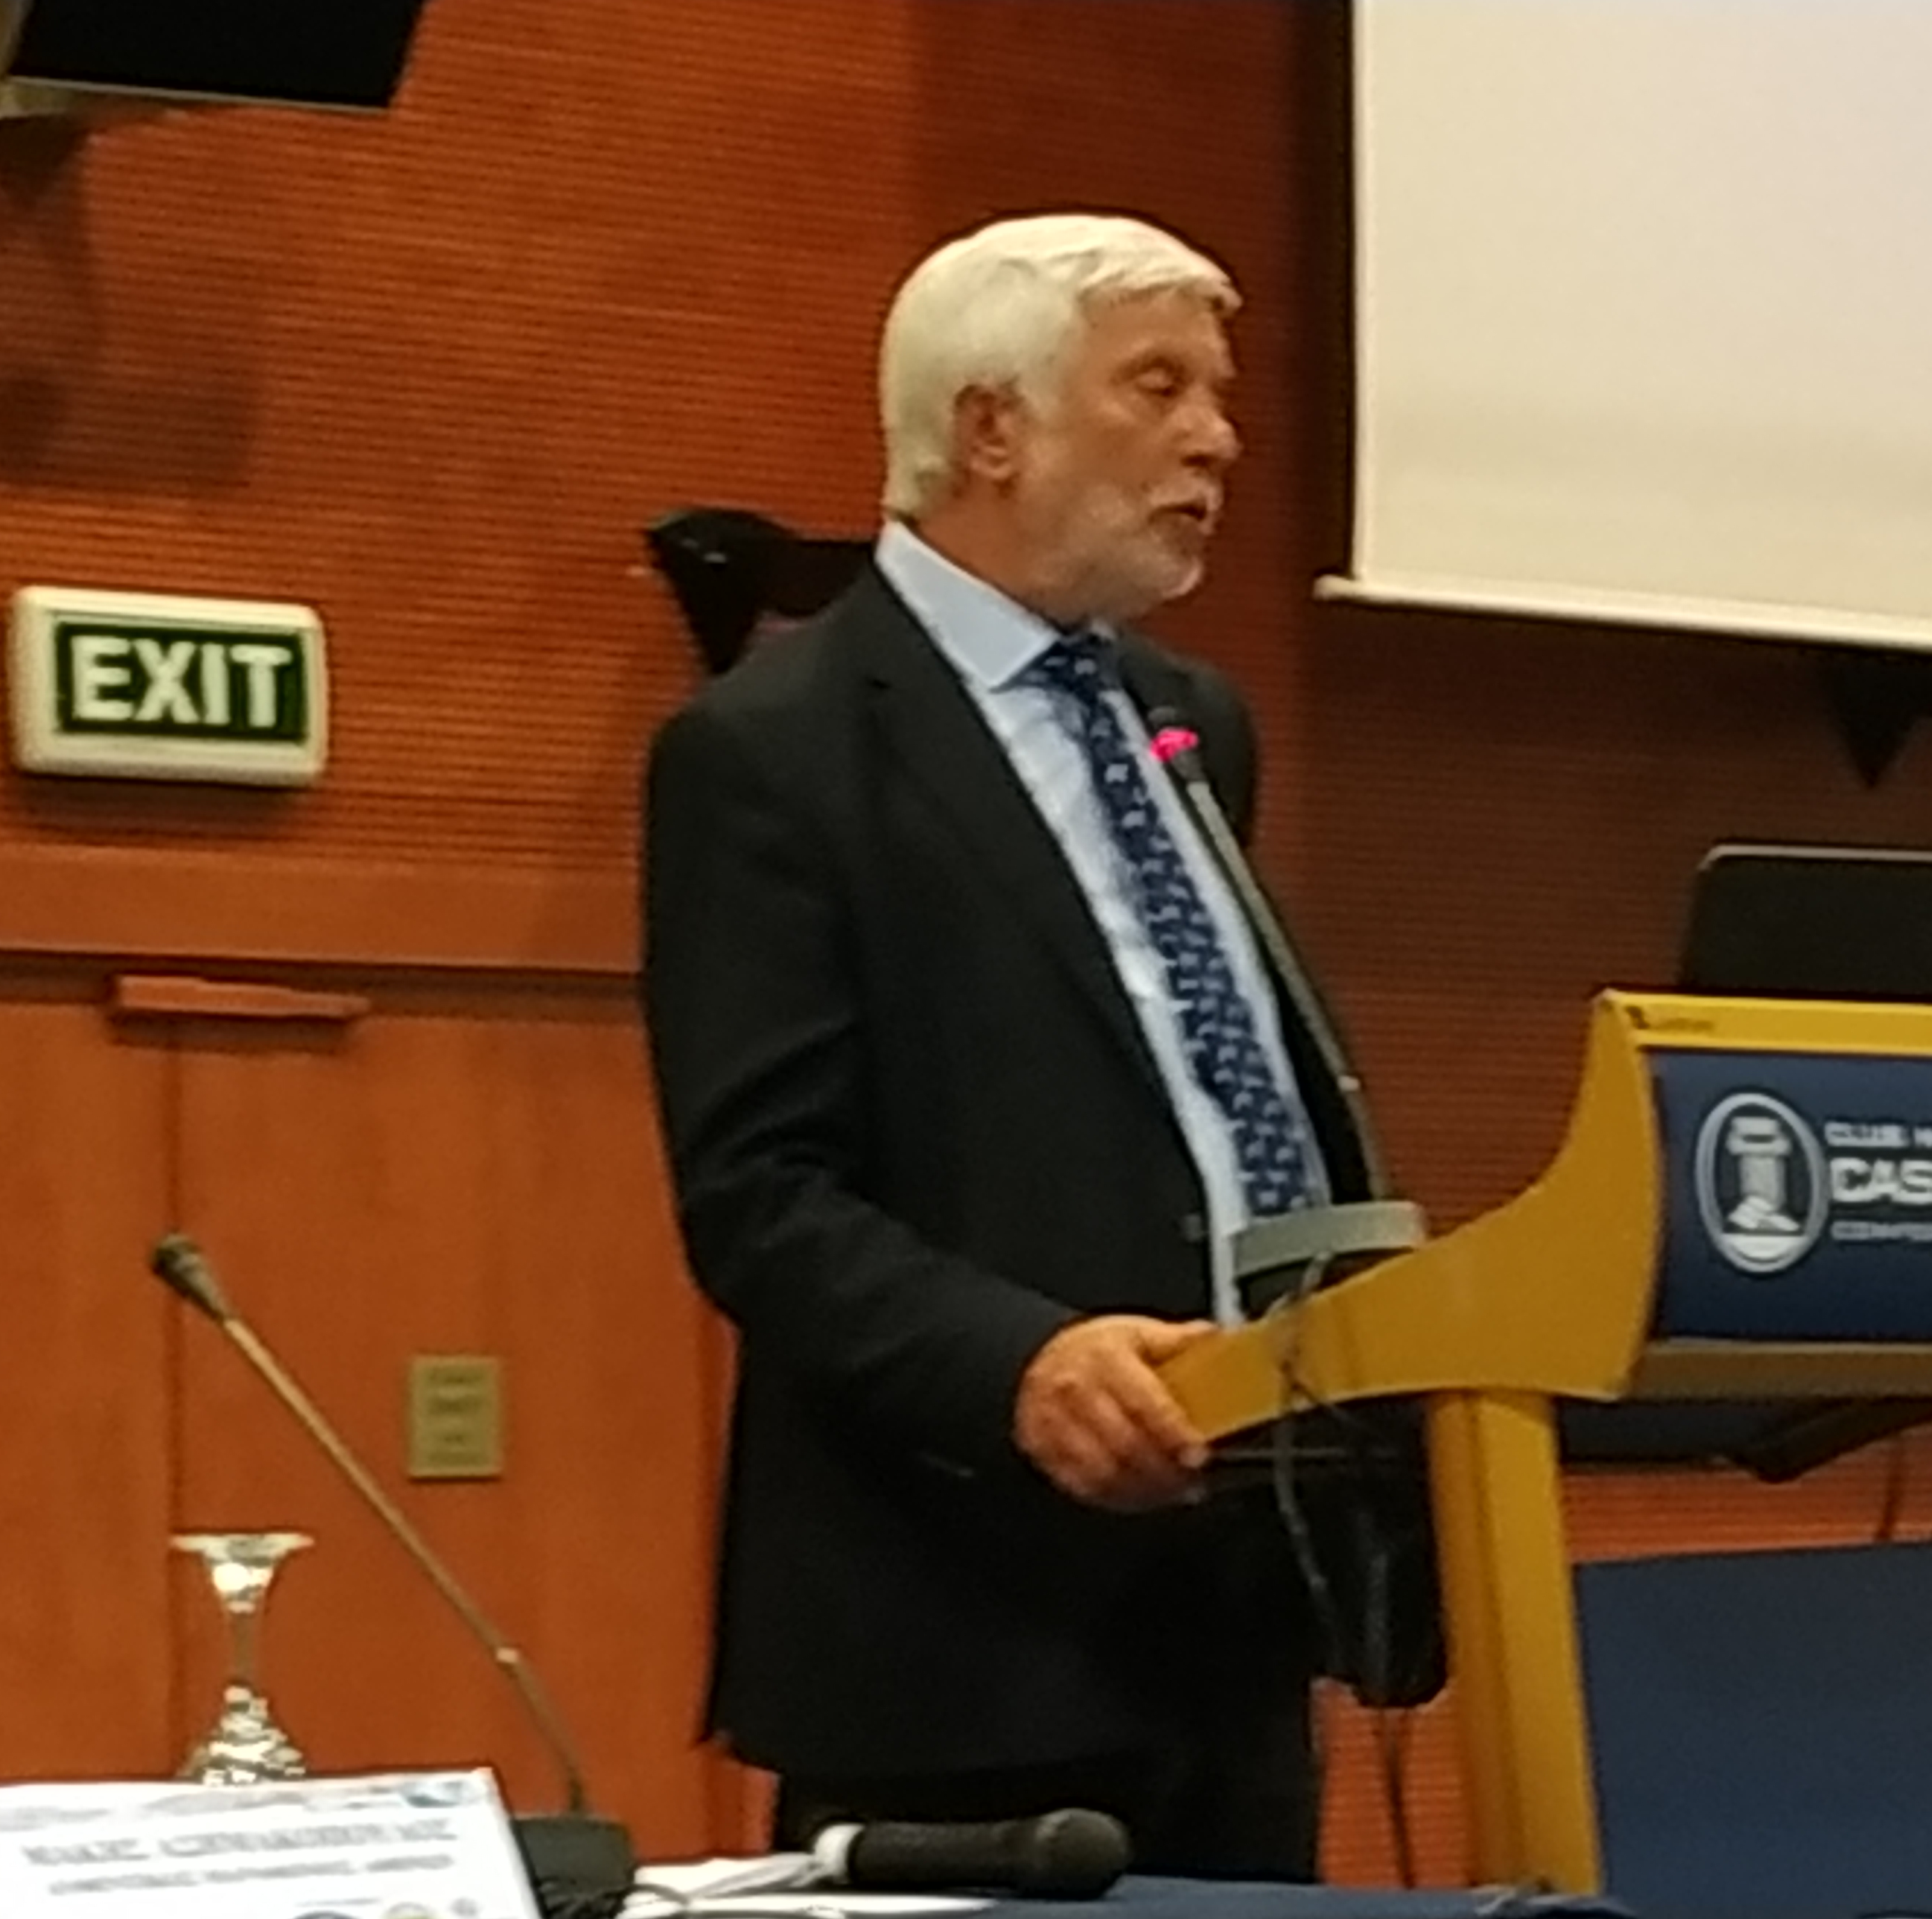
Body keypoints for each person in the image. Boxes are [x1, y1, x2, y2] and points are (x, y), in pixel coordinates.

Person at [641, 212, 1374, 1881]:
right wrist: (1018, 1364)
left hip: (1236, 1597)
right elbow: (761, 1197)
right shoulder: (770, 750)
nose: (1219, 438)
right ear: (991, 428)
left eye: (1219, 395)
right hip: (959, 1634)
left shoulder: (1195, 722)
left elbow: (1203, 1089)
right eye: (1159, 388)